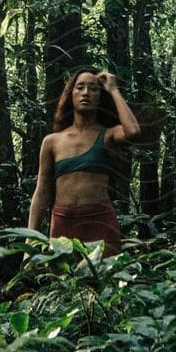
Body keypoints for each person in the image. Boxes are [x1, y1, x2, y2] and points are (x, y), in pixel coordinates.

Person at [27, 66, 141, 256]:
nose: (86, 93)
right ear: (70, 95)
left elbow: (133, 131)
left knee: (104, 282)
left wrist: (113, 89)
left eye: (94, 88)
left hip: (100, 223)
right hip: (63, 225)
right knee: (63, 284)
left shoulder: (108, 135)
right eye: (80, 87)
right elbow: (41, 193)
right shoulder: (52, 142)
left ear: (100, 97)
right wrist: (30, 242)